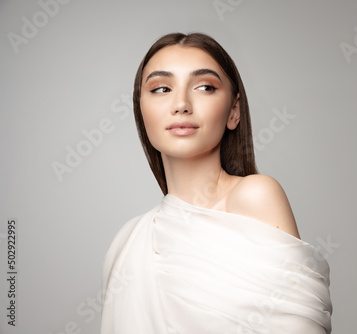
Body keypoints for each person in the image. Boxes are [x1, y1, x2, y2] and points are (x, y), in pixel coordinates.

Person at [100, 32, 332, 333]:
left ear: (233, 111)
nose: (181, 104)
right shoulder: (127, 242)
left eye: (205, 87)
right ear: (141, 110)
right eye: (161, 89)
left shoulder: (255, 197)